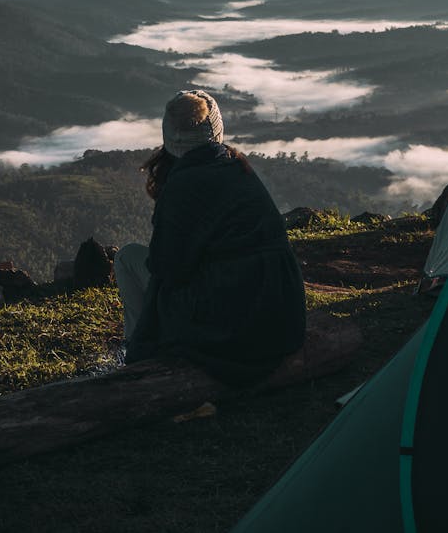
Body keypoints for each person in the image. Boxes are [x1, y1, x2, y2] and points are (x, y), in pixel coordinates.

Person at [114, 89, 306, 386]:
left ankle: (141, 357)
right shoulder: (238, 167)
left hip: (228, 325)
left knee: (128, 257)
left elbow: (168, 270)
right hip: (281, 315)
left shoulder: (183, 186)